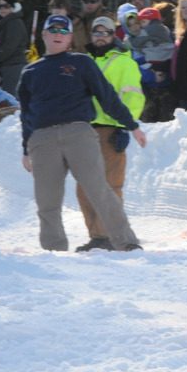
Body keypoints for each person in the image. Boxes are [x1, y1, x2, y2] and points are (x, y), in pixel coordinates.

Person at [19, 14, 147, 253]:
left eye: (63, 31)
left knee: (99, 188)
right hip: (43, 138)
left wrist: (130, 125)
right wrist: (26, 148)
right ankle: (54, 249)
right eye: (53, 30)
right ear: (44, 34)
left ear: (69, 38)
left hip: (78, 133)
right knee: (47, 200)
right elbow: (26, 114)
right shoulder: (30, 72)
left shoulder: (81, 63)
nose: (58, 34)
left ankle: (125, 240)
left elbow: (106, 97)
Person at [74, 16, 146, 251]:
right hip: (84, 130)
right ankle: (97, 236)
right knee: (84, 186)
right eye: (96, 32)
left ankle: (111, 235)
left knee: (110, 185)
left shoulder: (124, 63)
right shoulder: (83, 62)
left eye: (106, 32)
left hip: (109, 130)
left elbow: (133, 97)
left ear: (114, 35)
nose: (101, 36)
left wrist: (123, 126)